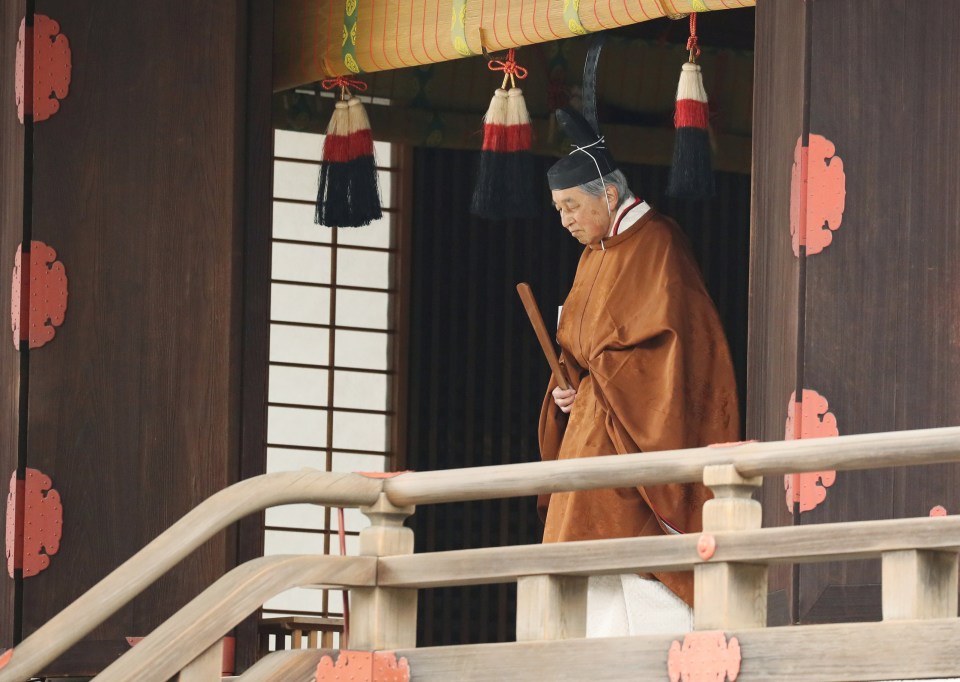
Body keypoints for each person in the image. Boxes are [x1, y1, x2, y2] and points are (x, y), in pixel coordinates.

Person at [538, 108, 740, 637]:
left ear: (607, 195)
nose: (565, 220)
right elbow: (581, 349)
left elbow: (673, 351)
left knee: (635, 566)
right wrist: (568, 386)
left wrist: (597, 382)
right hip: (592, 433)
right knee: (588, 580)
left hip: (633, 436)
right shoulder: (593, 255)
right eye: (558, 210)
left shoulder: (658, 244)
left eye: (571, 206)